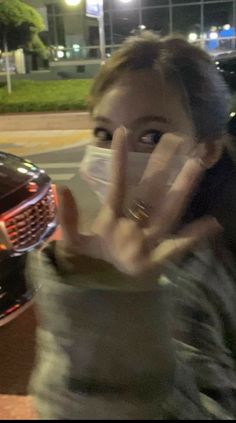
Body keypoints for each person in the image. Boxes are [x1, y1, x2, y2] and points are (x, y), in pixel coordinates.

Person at [26, 32, 236, 419]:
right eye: (104, 133)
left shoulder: (174, 279)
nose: (116, 155)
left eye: (151, 136)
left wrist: (114, 312)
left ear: (206, 150)